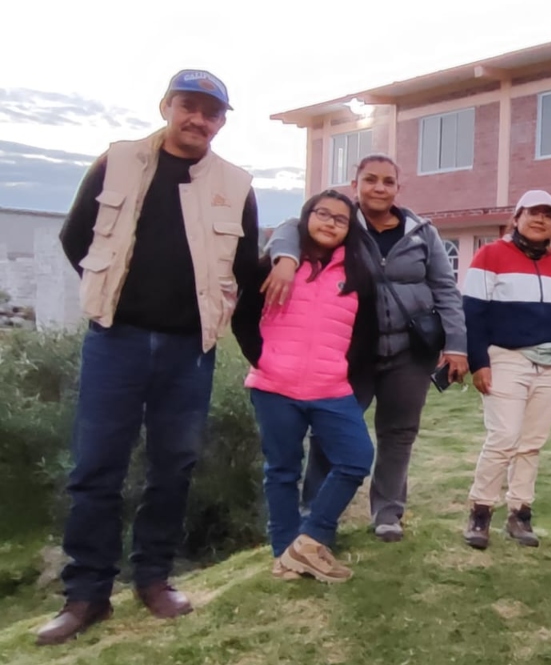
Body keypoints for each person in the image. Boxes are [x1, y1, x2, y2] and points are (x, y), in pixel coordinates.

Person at [42, 70, 258, 645]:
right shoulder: (115, 161)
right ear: (166, 106)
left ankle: (154, 578)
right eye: (188, 107)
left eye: (211, 113)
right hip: (116, 341)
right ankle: (85, 594)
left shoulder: (236, 184)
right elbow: (75, 238)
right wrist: (111, 295)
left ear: (221, 121)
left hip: (191, 349)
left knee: (174, 469)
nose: (198, 120)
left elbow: (247, 269)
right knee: (95, 470)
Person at [263, 154, 468, 543]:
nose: (379, 187)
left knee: (399, 432)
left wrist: (456, 344)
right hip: (350, 354)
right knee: (329, 434)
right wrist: (285, 258)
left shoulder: (422, 231)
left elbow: (446, 289)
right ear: (355, 185)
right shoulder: (343, 223)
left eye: (388, 181)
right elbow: (292, 226)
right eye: (370, 180)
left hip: (410, 352)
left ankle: (388, 512)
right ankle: (316, 512)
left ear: (397, 188)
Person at [232, 190, 377, 583]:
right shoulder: (278, 264)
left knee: (356, 457)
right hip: (274, 385)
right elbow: (242, 317)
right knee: (281, 470)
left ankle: (310, 539)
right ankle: (284, 554)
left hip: (331, 386)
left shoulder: (359, 272)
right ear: (306, 217)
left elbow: (366, 332)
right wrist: (262, 359)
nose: (329, 223)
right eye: (322, 214)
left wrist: (345, 369)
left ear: (349, 229)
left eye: (340, 219)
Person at [461, 190, 551, 549]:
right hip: (506, 358)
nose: (540, 220)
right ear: (516, 218)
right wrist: (479, 362)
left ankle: (520, 513)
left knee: (531, 443)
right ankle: (480, 511)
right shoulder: (490, 255)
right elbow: (473, 314)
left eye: (548, 215)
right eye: (533, 213)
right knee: (503, 438)